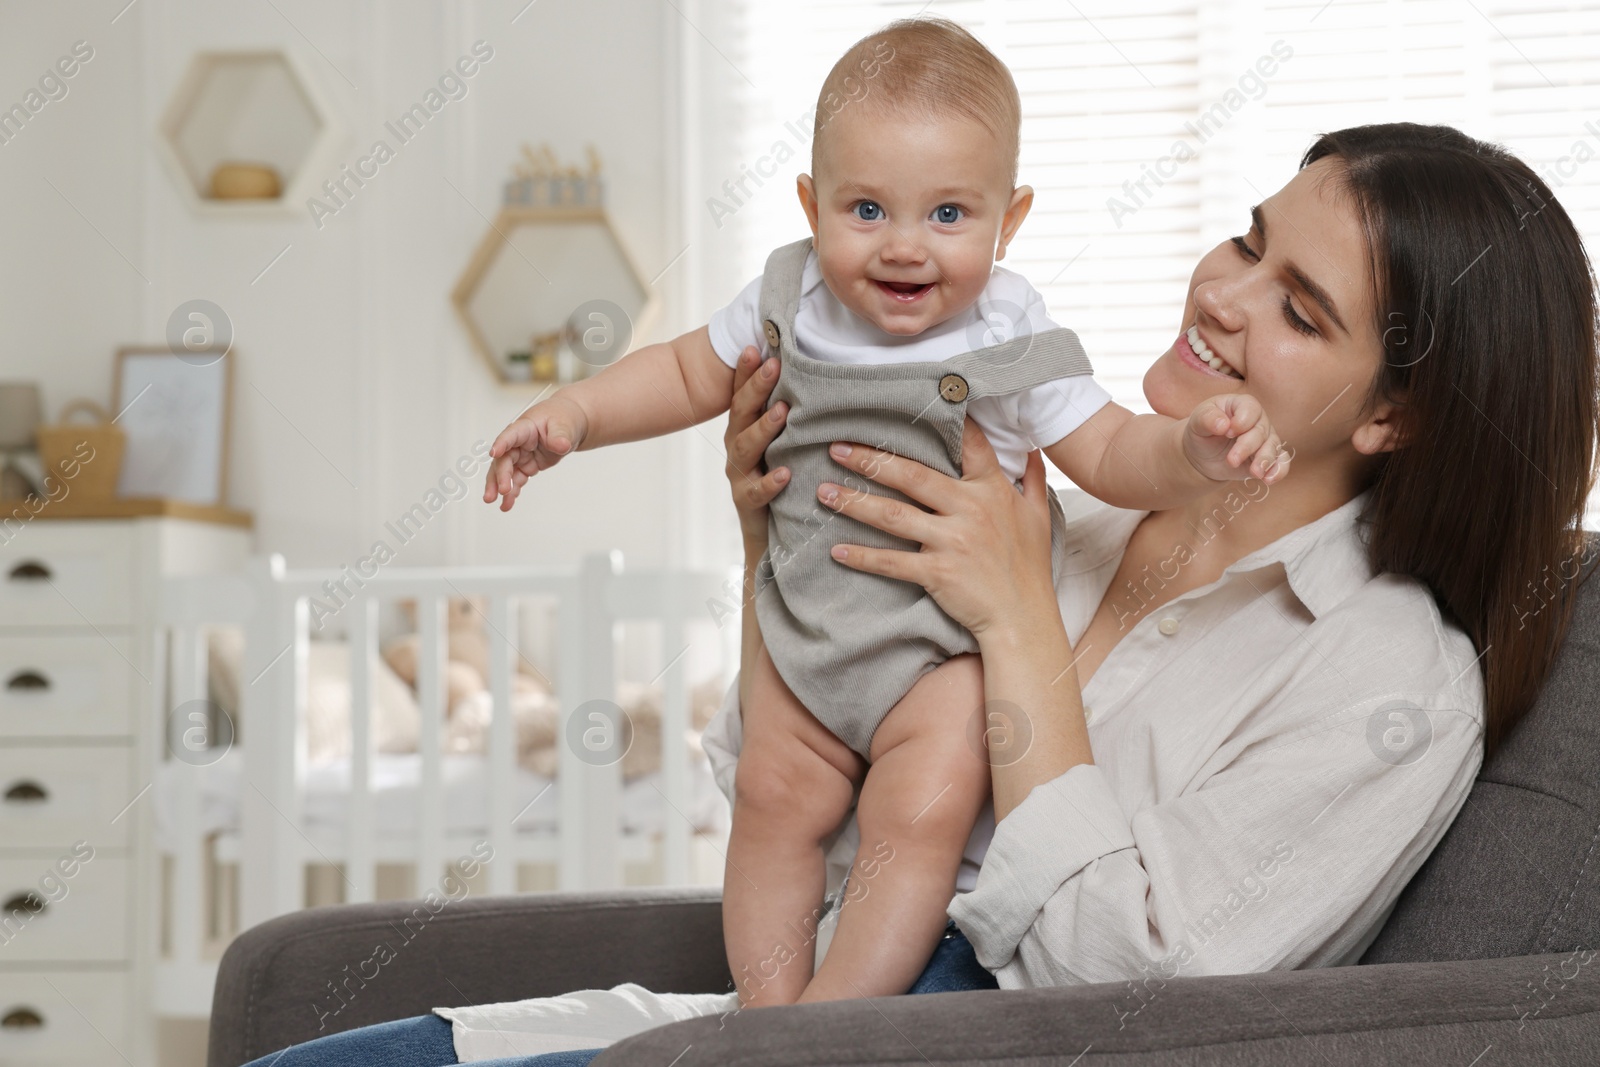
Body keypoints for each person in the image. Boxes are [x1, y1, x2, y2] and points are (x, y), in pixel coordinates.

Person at [245, 122, 1597, 1065]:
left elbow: (1132, 996)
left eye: (1301, 309)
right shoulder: (1063, 502)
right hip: (788, 1002)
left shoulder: (1386, 675)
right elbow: (786, 779)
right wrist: (774, 535)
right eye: (1248, 241)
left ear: (1399, 416)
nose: (1225, 296)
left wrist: (1019, 629)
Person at [482, 16, 1288, 1010]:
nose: (904, 246)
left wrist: (1195, 449)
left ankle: (829, 1025)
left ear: (1011, 218)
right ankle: (767, 1019)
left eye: (949, 214)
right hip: (804, 622)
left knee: (922, 809)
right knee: (774, 800)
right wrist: (574, 414)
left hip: (936, 651)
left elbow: (1112, 448)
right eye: (866, 208)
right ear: (810, 205)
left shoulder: (1010, 330)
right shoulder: (790, 293)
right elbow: (686, 369)